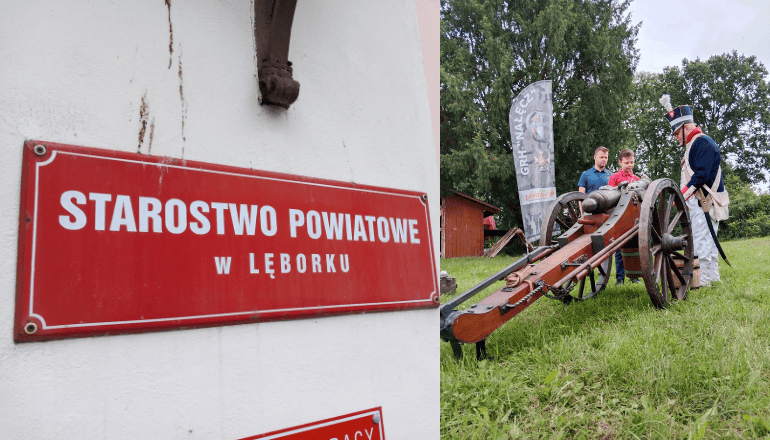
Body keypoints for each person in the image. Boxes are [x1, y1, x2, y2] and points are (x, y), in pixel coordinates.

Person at [660, 94, 729, 286]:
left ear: (686, 127)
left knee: (702, 241)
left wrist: (680, 195)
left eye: (676, 133)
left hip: (704, 200)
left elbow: (702, 175)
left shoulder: (701, 143)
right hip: (699, 201)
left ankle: (705, 280)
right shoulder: (694, 144)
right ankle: (712, 277)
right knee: (706, 239)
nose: (675, 137)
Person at [577, 146, 612, 279]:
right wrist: (582, 213)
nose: (604, 160)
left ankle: (602, 267)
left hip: (605, 214)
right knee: (589, 241)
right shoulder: (586, 175)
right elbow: (580, 195)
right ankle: (586, 267)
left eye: (606, 158)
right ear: (595, 157)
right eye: (601, 157)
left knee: (604, 241)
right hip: (590, 214)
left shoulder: (610, 175)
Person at [607, 149, 641, 284]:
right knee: (619, 249)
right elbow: (609, 196)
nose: (630, 165)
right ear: (620, 162)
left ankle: (634, 277)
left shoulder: (637, 179)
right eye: (627, 163)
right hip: (620, 217)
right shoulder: (615, 177)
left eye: (632, 162)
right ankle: (620, 278)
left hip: (633, 218)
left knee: (635, 247)